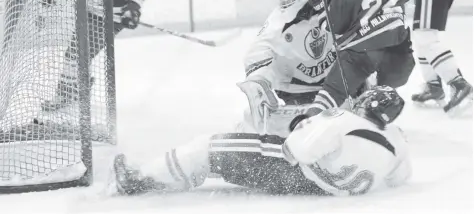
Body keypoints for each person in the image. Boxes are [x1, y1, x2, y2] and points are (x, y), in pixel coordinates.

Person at [110, 85, 411, 196]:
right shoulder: (397, 139)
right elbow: (400, 178)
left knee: (212, 145)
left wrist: (303, 124)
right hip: (322, 189)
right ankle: (179, 173)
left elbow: (297, 150)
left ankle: (140, 178)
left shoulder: (343, 120)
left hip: (295, 174)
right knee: (228, 154)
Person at [303, 0, 415, 114]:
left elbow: (334, 27)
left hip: (362, 53)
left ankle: (306, 125)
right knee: (381, 97)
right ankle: (374, 109)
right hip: (399, 53)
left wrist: (320, 5)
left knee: (332, 92)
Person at [238, 0, 336, 137]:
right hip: (298, 89)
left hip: (330, 82)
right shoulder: (278, 22)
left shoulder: (325, 4)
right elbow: (258, 50)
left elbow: (349, 6)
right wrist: (258, 81)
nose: (284, 3)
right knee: (312, 130)